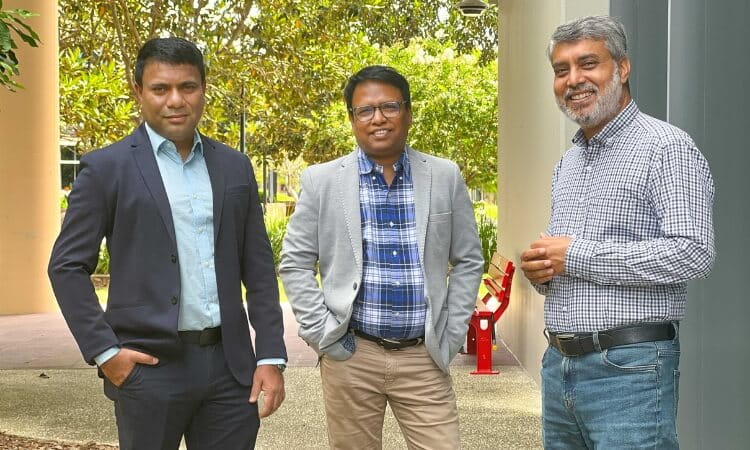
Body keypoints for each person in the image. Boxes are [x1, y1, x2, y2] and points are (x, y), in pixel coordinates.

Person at [48, 37, 287, 450]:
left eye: (187, 87)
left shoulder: (234, 166)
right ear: (139, 91)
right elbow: (66, 266)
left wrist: (269, 355)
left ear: (203, 89)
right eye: (161, 89)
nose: (175, 100)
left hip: (231, 371)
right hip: (147, 369)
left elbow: (259, 267)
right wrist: (107, 354)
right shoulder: (106, 168)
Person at [520, 16, 715, 449]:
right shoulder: (567, 163)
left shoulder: (665, 147)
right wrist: (544, 271)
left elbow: (694, 251)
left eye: (588, 64)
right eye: (561, 69)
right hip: (560, 366)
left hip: (631, 370)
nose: (573, 80)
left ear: (622, 68)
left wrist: (574, 256)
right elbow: (568, 255)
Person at [279, 65, 483, 449]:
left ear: (407, 111)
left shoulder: (444, 176)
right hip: (352, 354)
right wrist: (322, 335)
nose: (378, 118)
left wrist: (451, 334)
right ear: (352, 118)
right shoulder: (321, 181)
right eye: (365, 110)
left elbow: (469, 259)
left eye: (389, 106)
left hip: (424, 357)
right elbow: (294, 262)